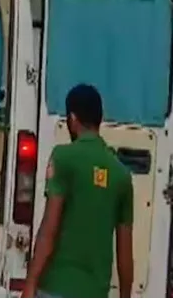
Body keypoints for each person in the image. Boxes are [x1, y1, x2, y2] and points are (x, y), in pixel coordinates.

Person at [23, 84, 134, 298]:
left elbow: (49, 228)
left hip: (55, 287)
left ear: (72, 120)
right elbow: (125, 253)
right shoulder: (122, 175)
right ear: (99, 120)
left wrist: (30, 284)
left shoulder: (63, 157)